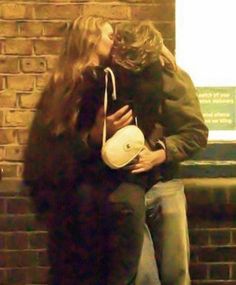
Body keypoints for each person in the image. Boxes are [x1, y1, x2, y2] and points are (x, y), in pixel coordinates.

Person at [23, 15, 150, 285]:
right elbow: (47, 158)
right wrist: (94, 138)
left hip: (91, 207)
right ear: (91, 40)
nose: (114, 41)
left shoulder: (108, 80)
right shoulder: (67, 89)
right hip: (78, 209)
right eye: (108, 35)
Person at [109, 21, 209, 285]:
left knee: (175, 273)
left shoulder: (172, 78)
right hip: (125, 187)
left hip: (164, 183)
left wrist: (159, 154)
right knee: (142, 276)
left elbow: (196, 132)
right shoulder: (110, 77)